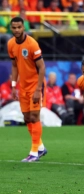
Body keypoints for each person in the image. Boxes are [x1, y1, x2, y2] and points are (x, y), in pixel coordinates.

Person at [7, 16, 47, 162]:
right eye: (14, 27)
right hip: (22, 87)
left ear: (24, 27)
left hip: (35, 86)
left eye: (19, 27)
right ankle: (41, 147)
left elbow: (42, 67)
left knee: (34, 117)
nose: (16, 30)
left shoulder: (32, 44)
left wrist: (38, 89)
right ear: (11, 28)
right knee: (26, 118)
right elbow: (15, 65)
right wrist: (13, 86)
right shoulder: (11, 44)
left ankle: (34, 152)